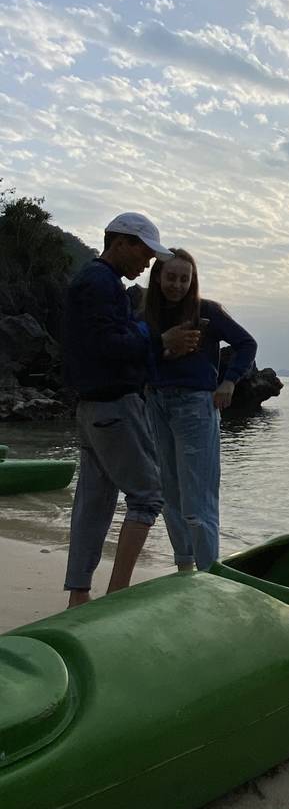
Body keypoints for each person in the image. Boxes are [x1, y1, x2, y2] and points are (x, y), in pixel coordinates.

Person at [62, 213, 199, 607]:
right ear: (121, 243)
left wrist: (152, 343)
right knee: (148, 497)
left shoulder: (91, 280)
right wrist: (159, 339)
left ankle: (79, 596)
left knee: (95, 500)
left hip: (91, 408)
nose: (148, 262)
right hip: (114, 406)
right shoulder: (102, 283)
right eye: (144, 253)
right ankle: (116, 597)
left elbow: (97, 343)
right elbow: (109, 345)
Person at [144, 248, 257, 572]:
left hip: (195, 406)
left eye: (184, 279)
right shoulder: (147, 315)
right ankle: (184, 568)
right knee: (170, 495)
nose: (177, 285)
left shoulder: (206, 311)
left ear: (192, 281)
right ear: (158, 277)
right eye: (171, 277)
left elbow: (246, 343)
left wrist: (230, 381)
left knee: (197, 500)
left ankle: (209, 574)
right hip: (156, 403)